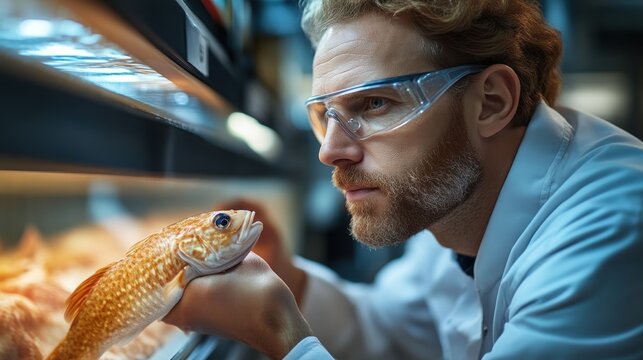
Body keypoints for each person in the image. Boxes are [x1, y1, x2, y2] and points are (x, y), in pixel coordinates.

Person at [164, 0, 643, 359]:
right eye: (323, 115)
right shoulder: (453, 207)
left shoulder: (613, 230)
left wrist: (282, 333)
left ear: (492, 101)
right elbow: (390, 330)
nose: (330, 151)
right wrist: (286, 276)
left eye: (373, 104)